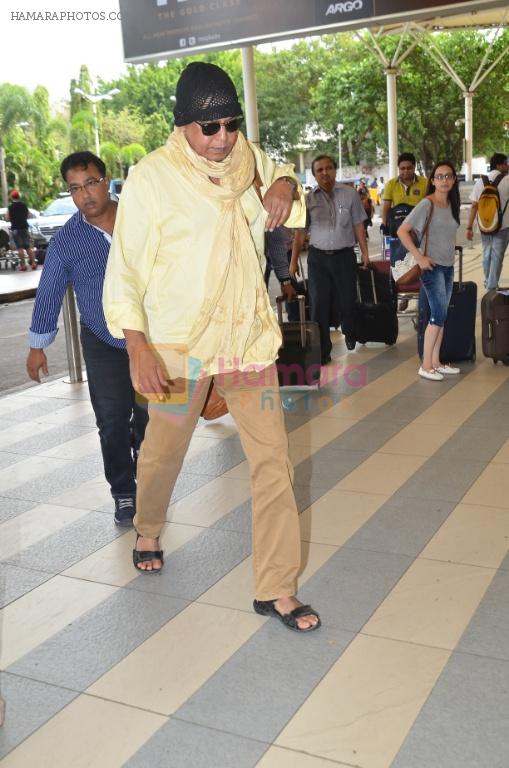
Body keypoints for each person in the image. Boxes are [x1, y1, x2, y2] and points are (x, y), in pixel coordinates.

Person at [102, 63, 320, 633]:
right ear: (182, 126)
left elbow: (291, 202)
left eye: (230, 123)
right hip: (181, 344)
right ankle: (148, 526)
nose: (222, 138)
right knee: (164, 450)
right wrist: (137, 346)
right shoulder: (152, 178)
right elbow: (125, 269)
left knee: (273, 462)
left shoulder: (248, 158)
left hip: (246, 338)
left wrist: (284, 184)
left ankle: (276, 588)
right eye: (209, 127)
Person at [26, 151, 148, 526]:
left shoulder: (143, 220)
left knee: (156, 418)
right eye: (75, 188)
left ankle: (148, 473)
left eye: (91, 183)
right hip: (102, 340)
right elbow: (49, 290)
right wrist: (37, 346)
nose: (85, 195)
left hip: (152, 339)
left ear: (105, 179)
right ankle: (124, 492)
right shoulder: (67, 241)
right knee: (111, 420)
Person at [289, 154, 369, 362]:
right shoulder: (308, 200)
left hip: (344, 257)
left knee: (347, 301)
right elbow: (299, 232)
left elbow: (358, 225)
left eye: (328, 168)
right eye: (319, 170)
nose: (325, 173)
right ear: (314, 175)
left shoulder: (350, 194)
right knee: (319, 305)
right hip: (318, 260)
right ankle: (322, 352)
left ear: (335, 170)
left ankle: (351, 332)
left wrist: (366, 254)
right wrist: (293, 262)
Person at [398, 160, 461, 381]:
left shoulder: (451, 204)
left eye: (448, 176)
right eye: (440, 176)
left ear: (453, 180)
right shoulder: (427, 204)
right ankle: (426, 365)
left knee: (441, 316)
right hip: (431, 268)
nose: (444, 180)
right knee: (438, 315)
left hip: (447, 266)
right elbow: (402, 230)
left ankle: (436, 362)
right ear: (432, 181)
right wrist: (419, 257)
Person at [466, 152, 509, 289]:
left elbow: (474, 205)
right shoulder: (507, 180)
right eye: (505, 163)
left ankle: (488, 282)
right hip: (503, 225)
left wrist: (469, 227)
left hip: (485, 224)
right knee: (497, 256)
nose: (507, 166)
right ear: (499, 165)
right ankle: (491, 287)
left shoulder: (481, 181)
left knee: (486, 254)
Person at [6, 189, 37, 270]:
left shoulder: (10, 207)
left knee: (20, 248)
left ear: (12, 197)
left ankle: (23, 265)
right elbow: (29, 215)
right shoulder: (23, 205)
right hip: (24, 227)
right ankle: (33, 263)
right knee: (28, 247)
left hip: (15, 228)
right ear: (19, 197)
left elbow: (7, 218)